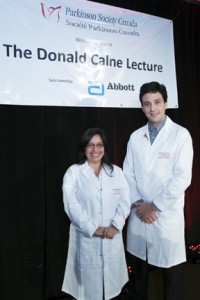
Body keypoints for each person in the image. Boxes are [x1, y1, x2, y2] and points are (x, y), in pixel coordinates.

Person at [123, 81, 193, 300]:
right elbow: (127, 174)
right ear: (141, 107)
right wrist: (139, 205)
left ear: (166, 103)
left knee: (172, 281)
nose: (152, 108)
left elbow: (182, 177)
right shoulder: (135, 137)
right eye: (146, 104)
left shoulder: (180, 135)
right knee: (139, 278)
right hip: (140, 214)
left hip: (165, 217)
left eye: (157, 102)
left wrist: (154, 206)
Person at [62, 127, 131, 300]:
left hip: (112, 237)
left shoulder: (116, 172)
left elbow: (125, 201)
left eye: (99, 145)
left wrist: (116, 226)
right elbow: (72, 206)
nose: (95, 150)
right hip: (87, 240)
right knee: (88, 292)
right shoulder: (74, 173)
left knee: (112, 289)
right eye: (90, 145)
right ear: (84, 148)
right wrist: (95, 229)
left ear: (105, 147)